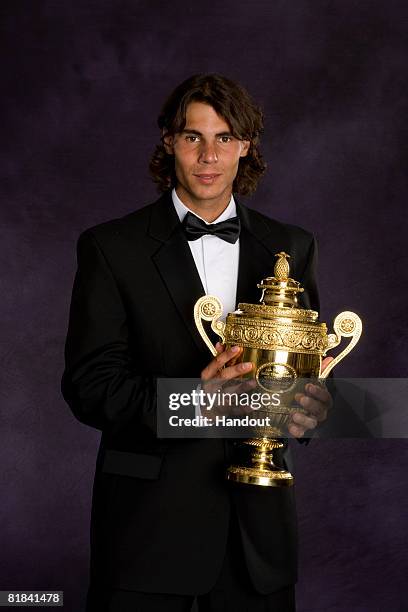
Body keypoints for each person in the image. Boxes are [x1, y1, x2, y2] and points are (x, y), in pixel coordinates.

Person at [61, 74, 331, 612]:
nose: (209, 156)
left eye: (225, 138)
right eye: (192, 137)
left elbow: (305, 374)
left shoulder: (292, 247)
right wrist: (194, 404)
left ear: (246, 146)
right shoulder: (111, 247)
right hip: (147, 533)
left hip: (259, 537)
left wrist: (316, 408)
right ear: (168, 141)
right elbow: (89, 386)